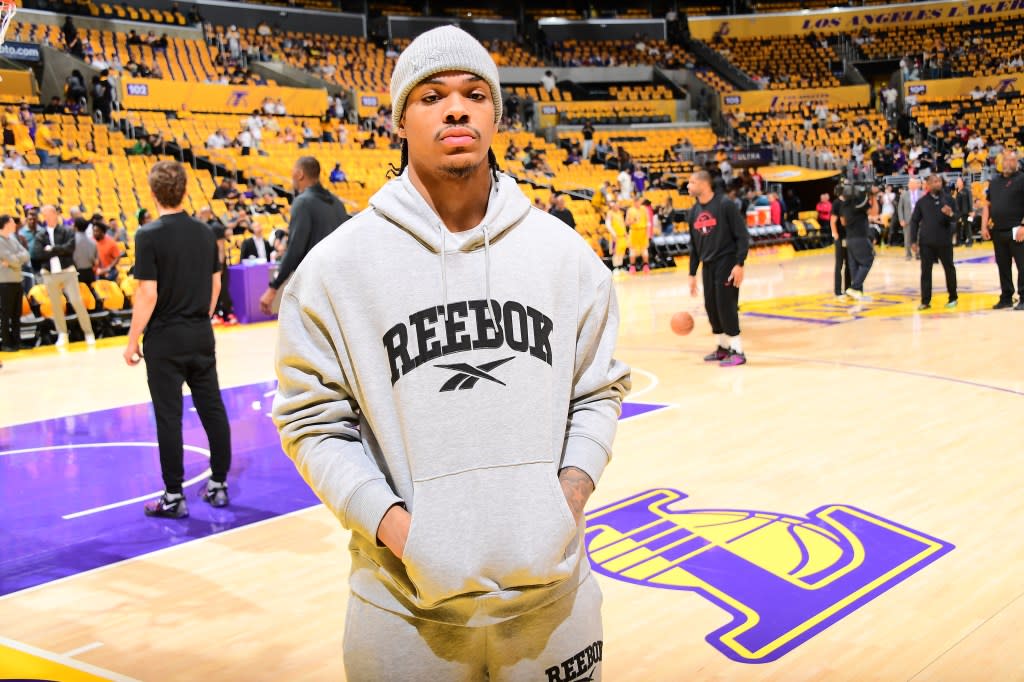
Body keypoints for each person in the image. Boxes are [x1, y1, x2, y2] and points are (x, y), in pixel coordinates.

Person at [271, 26, 630, 680]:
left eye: (474, 94)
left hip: (555, 606)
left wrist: (563, 503)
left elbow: (598, 393)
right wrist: (409, 536)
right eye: (432, 95)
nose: (456, 108)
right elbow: (311, 423)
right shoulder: (334, 272)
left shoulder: (566, 258)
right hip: (403, 614)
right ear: (400, 120)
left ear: (495, 114)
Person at [124, 161, 232, 517]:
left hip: (164, 339)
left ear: (153, 194)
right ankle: (218, 483)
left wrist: (132, 338)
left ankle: (174, 496)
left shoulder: (148, 235)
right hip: (200, 332)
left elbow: (148, 294)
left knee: (169, 417)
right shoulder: (206, 232)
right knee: (212, 410)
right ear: (185, 191)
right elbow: (216, 284)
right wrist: (202, 314)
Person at [258, 156, 348, 315]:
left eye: (293, 172)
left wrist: (273, 288)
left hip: (314, 289)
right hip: (340, 287)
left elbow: (295, 249)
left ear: (300, 174)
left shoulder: (303, 202)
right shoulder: (338, 204)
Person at [687, 170, 749, 366]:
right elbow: (694, 246)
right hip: (708, 265)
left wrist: (739, 263)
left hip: (727, 263)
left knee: (726, 305)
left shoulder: (725, 205)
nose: (688, 186)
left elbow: (742, 235)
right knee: (711, 307)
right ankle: (722, 348)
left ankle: (737, 350)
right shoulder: (693, 212)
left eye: (692, 182)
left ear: (704, 185)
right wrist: (692, 273)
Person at [31, 205, 95, 347]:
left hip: (67, 271)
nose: (46, 217)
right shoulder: (41, 235)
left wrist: (52, 249)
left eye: (48, 214)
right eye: (44, 215)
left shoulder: (66, 230)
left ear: (55, 214)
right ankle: (62, 334)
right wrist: (59, 250)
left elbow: (70, 248)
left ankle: (88, 332)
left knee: (77, 301)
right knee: (55, 305)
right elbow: (37, 254)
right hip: (49, 274)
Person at [981, 149, 1024, 310]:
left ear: (1017, 163)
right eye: (1005, 160)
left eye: (1011, 160)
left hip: (1018, 230)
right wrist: (984, 225)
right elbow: (987, 204)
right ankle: (1006, 297)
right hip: (998, 231)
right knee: (1003, 266)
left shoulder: (1022, 179)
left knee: (1022, 266)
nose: (1007, 163)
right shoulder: (994, 181)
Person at [909, 173, 958, 310]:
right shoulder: (922, 202)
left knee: (949, 269)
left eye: (939, 181)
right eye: (934, 182)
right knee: (925, 272)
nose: (938, 184)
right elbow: (914, 221)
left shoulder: (949, 199)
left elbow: (957, 218)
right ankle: (925, 301)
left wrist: (951, 214)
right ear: (928, 185)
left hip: (944, 241)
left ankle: (953, 297)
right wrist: (913, 240)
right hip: (926, 242)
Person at [840, 184, 875, 300]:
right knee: (867, 261)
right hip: (860, 237)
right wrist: (872, 197)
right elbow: (873, 212)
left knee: (854, 265)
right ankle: (855, 288)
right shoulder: (861, 202)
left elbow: (843, 222)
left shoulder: (844, 205)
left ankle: (857, 292)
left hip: (849, 237)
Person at [0, 214, 29, 353]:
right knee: (6, 314)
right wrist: (15, 261)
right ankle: (6, 342)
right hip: (5, 282)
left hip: (17, 280)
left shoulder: (12, 238)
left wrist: (13, 261)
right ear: (5, 224)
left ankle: (17, 341)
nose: (14, 224)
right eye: (12, 222)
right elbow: (14, 259)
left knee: (17, 314)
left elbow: (25, 254)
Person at [830, 189, 851, 299]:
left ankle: (848, 288)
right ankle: (838, 290)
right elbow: (833, 220)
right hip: (840, 237)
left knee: (849, 263)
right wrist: (835, 235)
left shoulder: (850, 202)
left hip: (849, 237)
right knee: (839, 264)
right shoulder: (837, 203)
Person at [898, 177, 923, 260]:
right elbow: (900, 208)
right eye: (910, 183)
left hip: (919, 219)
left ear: (917, 185)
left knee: (919, 237)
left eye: (913, 183)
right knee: (907, 238)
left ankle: (918, 254)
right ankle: (908, 254)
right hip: (907, 219)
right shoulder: (904, 194)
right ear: (908, 185)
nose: (911, 185)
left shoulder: (921, 193)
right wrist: (901, 219)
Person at [625, 195, 650, 273]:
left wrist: (648, 232)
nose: (637, 203)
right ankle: (632, 267)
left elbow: (648, 222)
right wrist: (633, 221)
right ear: (633, 202)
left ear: (640, 201)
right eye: (635, 202)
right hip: (634, 231)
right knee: (632, 250)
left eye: (638, 201)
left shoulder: (644, 209)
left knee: (644, 250)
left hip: (643, 231)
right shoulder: (630, 210)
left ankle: (646, 266)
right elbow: (626, 223)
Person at [72, 217, 98, 285]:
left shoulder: (71, 241)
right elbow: (95, 260)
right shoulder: (93, 242)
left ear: (75, 227)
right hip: (90, 273)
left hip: (76, 272)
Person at [952, 177, 974, 247]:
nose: (957, 182)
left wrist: (971, 211)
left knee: (967, 227)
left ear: (962, 182)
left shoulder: (967, 190)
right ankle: (959, 241)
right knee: (958, 227)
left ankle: (970, 241)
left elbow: (970, 201)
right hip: (958, 213)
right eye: (957, 181)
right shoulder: (956, 191)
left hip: (966, 212)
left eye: (958, 181)